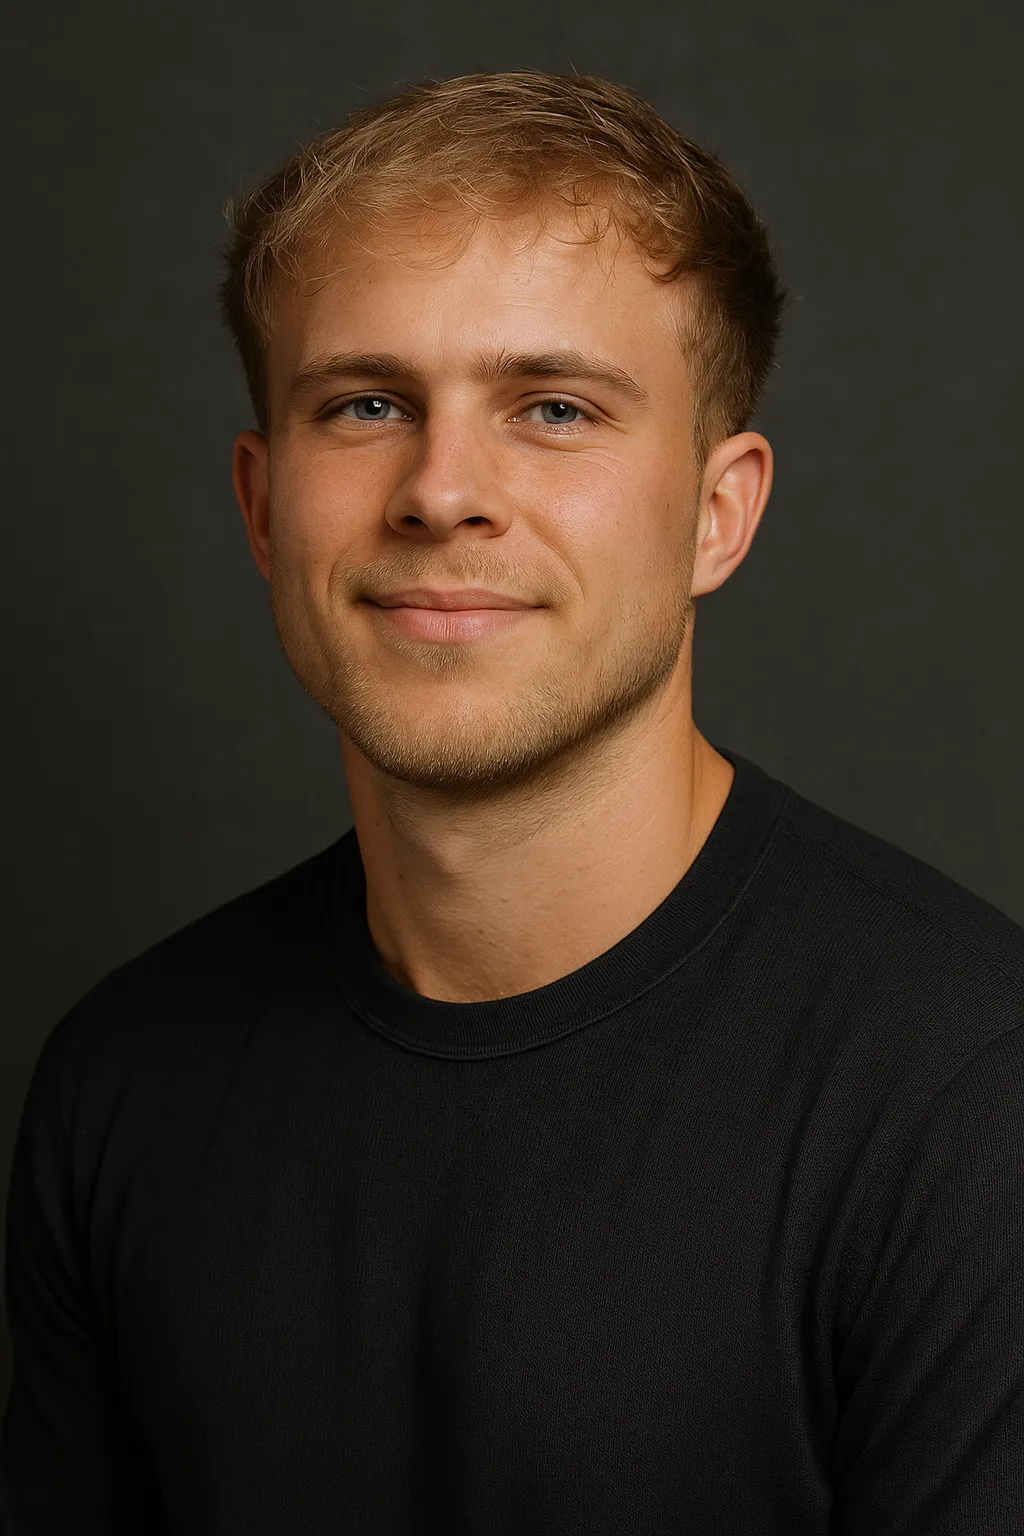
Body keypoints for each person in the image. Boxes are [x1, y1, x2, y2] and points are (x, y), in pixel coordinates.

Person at [2, 68, 1022, 1536]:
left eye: (554, 408)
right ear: (263, 505)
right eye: (365, 405)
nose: (441, 492)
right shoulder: (123, 1084)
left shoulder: (972, 1106)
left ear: (717, 513)